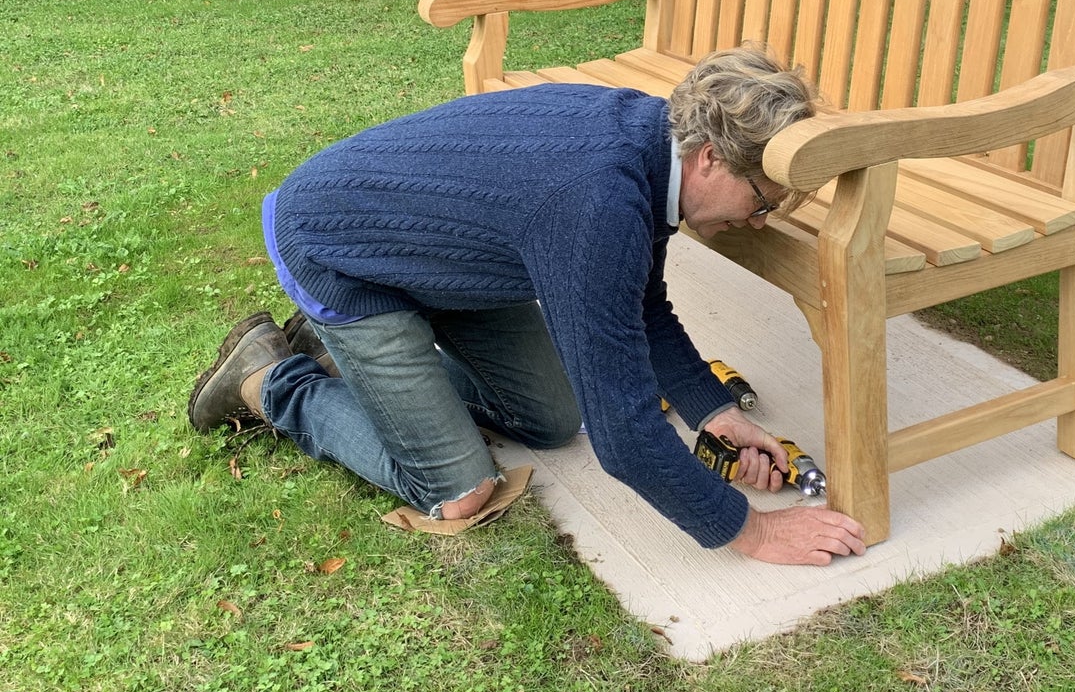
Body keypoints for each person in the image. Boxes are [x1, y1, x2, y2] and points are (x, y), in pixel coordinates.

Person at [187, 44, 866, 566]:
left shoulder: (650, 144)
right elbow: (624, 437)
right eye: (761, 199)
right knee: (460, 493)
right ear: (712, 157)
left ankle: (357, 359)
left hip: (442, 257)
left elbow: (641, 302)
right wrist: (750, 528)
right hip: (339, 251)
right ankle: (273, 378)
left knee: (550, 416)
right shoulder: (599, 203)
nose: (758, 220)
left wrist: (712, 411)